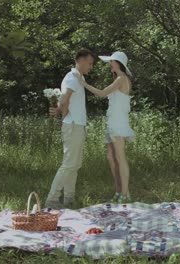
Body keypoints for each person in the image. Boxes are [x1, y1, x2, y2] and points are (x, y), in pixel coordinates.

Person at [73, 51, 135, 203]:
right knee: (110, 157)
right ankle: (119, 190)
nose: (110, 64)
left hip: (119, 123)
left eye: (112, 62)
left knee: (120, 158)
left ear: (118, 63)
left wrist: (83, 83)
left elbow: (102, 93)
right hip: (112, 122)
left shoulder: (121, 78)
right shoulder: (118, 79)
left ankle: (125, 194)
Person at [44, 49, 95, 209]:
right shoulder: (72, 77)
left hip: (77, 125)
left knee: (75, 164)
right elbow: (65, 98)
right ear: (79, 61)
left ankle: (69, 199)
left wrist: (61, 111)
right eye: (89, 63)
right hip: (72, 126)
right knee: (68, 164)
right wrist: (58, 110)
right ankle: (52, 200)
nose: (91, 67)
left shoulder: (79, 78)